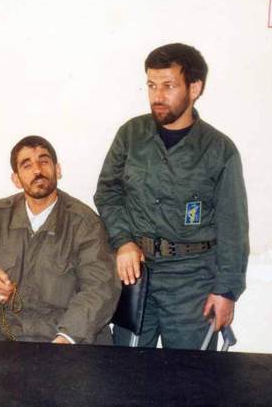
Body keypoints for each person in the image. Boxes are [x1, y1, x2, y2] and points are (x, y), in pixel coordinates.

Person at [94, 43, 249, 349]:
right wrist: (123, 241)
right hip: (137, 276)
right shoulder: (131, 135)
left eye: (168, 85)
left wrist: (226, 291)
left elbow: (233, 225)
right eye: (152, 85)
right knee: (126, 370)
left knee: (189, 373)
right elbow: (107, 192)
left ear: (195, 88)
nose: (157, 96)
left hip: (192, 281)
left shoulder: (219, 150)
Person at [0, 135, 120, 344]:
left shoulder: (85, 223)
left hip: (67, 335)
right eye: (27, 165)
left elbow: (100, 288)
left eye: (44, 161)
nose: (37, 170)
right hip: (7, 333)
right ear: (16, 179)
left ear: (57, 170)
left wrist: (67, 337)